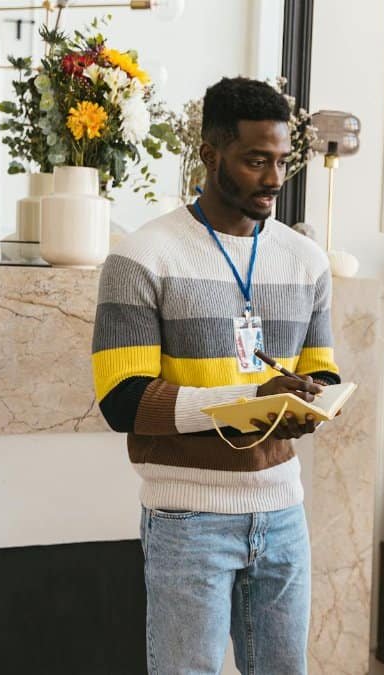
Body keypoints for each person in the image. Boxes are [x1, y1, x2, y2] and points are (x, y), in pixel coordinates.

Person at [91, 77, 340, 674]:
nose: (275, 179)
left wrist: (315, 400)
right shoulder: (142, 256)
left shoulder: (306, 259)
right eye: (257, 161)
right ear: (209, 155)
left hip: (284, 513)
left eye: (281, 160)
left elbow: (321, 369)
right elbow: (122, 402)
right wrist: (253, 399)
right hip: (187, 520)